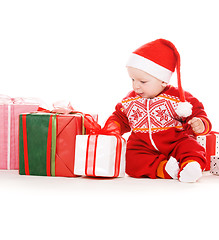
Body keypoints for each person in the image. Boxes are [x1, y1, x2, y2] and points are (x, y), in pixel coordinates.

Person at [104, 39, 212, 182]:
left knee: (192, 147)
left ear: (162, 80)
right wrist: (113, 127)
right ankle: (165, 169)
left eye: (143, 82)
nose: (136, 86)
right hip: (143, 146)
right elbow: (119, 116)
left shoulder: (178, 97)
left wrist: (200, 123)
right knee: (130, 159)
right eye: (132, 79)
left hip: (175, 143)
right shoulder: (130, 100)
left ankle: (190, 165)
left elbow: (197, 112)